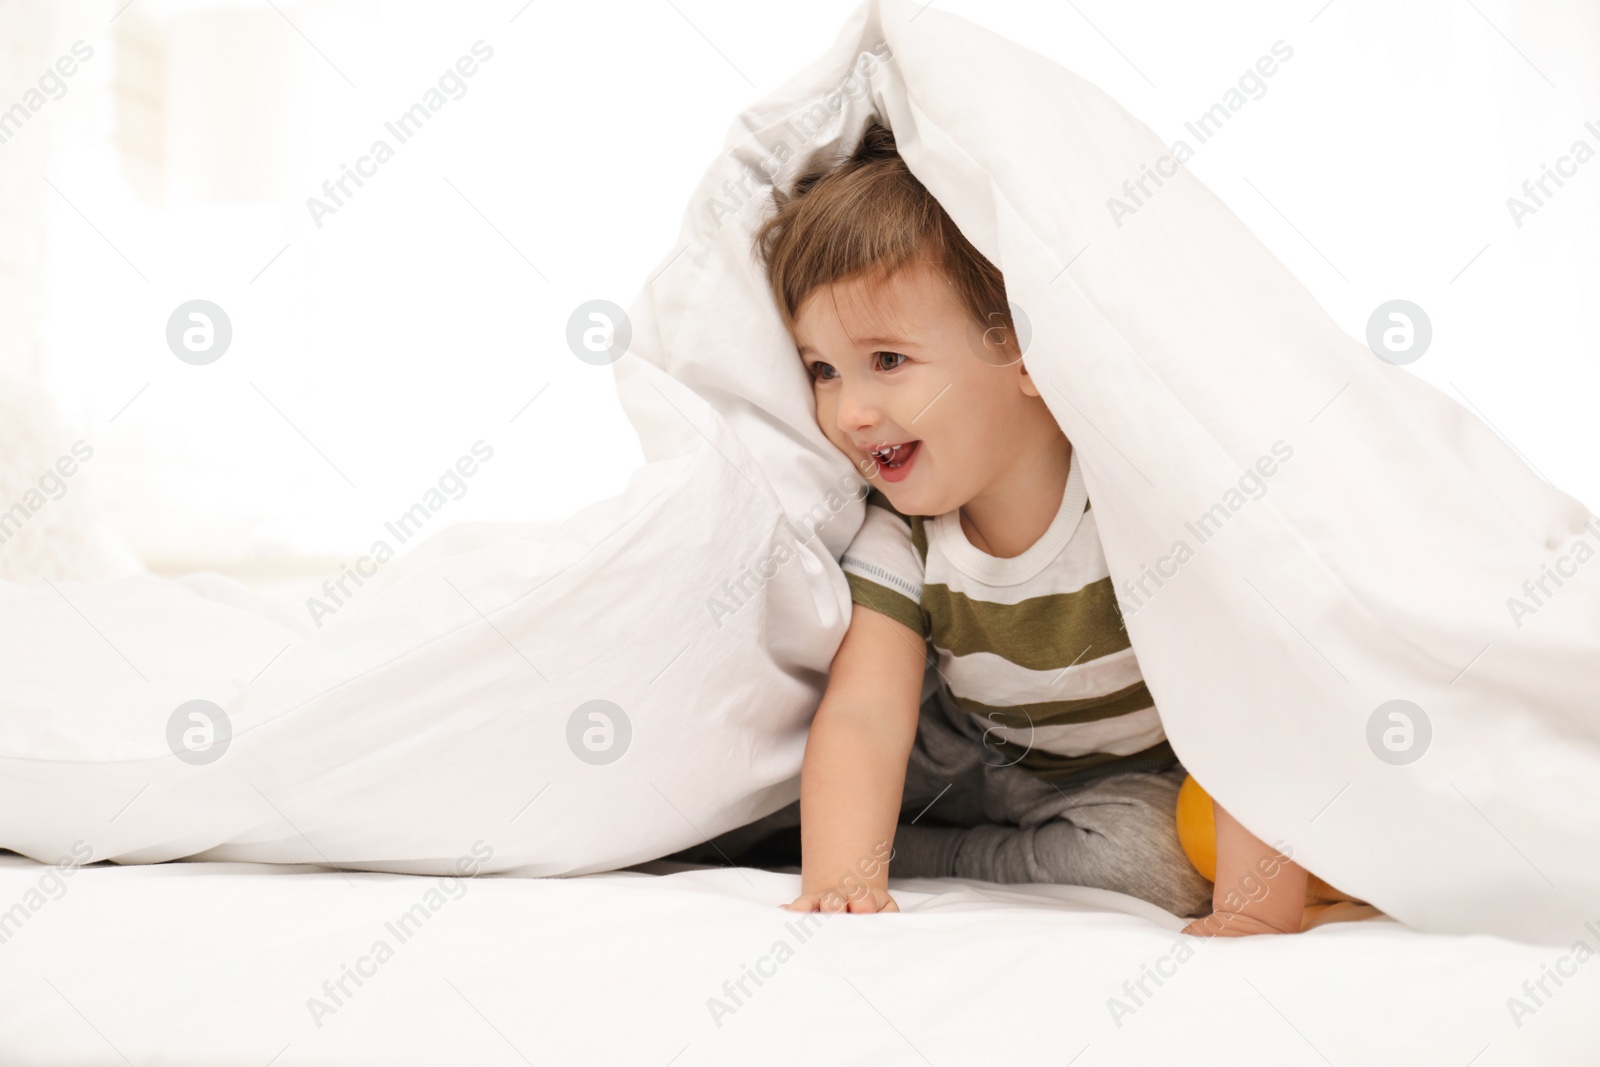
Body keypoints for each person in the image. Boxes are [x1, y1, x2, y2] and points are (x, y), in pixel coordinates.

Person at [753, 121, 1359, 936]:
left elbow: (1244, 688)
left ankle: (939, 856)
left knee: (1150, 860)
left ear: (1028, 353)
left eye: (887, 360)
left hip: (1112, 779)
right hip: (968, 754)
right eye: (822, 370)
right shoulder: (900, 534)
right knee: (811, 780)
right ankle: (804, 843)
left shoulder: (1129, 505)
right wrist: (838, 880)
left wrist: (1255, 915)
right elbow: (866, 713)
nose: (850, 411)